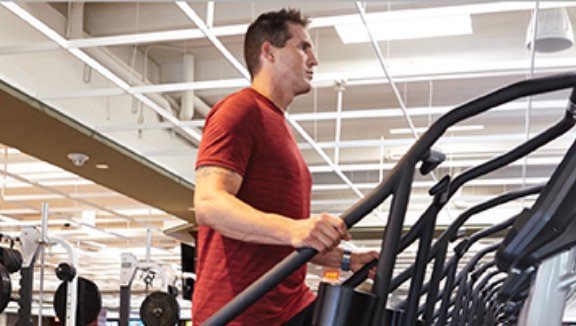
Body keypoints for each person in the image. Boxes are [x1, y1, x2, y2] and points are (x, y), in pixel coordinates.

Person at [192, 8, 379, 326]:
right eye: (303, 46)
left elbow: (283, 242)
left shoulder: (277, 126)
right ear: (269, 51)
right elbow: (208, 204)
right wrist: (296, 229)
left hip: (289, 306)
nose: (314, 59)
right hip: (241, 315)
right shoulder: (240, 110)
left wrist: (350, 260)